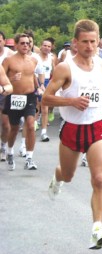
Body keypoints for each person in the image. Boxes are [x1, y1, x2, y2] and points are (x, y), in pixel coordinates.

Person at [42, 19, 102, 249]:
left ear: (98, 41)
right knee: (68, 175)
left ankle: (97, 228)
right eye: (84, 42)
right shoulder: (65, 67)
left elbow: (100, 85)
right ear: (75, 43)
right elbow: (46, 99)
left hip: (96, 127)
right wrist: (70, 101)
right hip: (72, 128)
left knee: (98, 178)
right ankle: (57, 177)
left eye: (93, 41)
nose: (89, 46)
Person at [2, 33, 41, 171]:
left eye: (28, 43)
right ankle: (10, 151)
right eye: (22, 43)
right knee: (13, 128)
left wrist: (39, 87)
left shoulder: (33, 60)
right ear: (17, 45)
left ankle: (29, 158)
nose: (26, 45)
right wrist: (12, 79)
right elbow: (2, 78)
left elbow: (32, 76)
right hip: (14, 97)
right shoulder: (8, 61)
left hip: (30, 97)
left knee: (31, 125)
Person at [37, 39, 56, 142]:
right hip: (34, 82)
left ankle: (44, 132)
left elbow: (55, 72)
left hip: (46, 82)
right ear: (41, 46)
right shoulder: (35, 57)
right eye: (45, 45)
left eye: (49, 46)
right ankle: (32, 124)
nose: (46, 48)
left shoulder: (51, 58)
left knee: (45, 108)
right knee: (36, 106)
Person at [0, 31, 14, 161]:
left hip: (3, 95)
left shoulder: (10, 55)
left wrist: (3, 88)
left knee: (5, 124)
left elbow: (9, 85)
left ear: (4, 41)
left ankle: (3, 146)